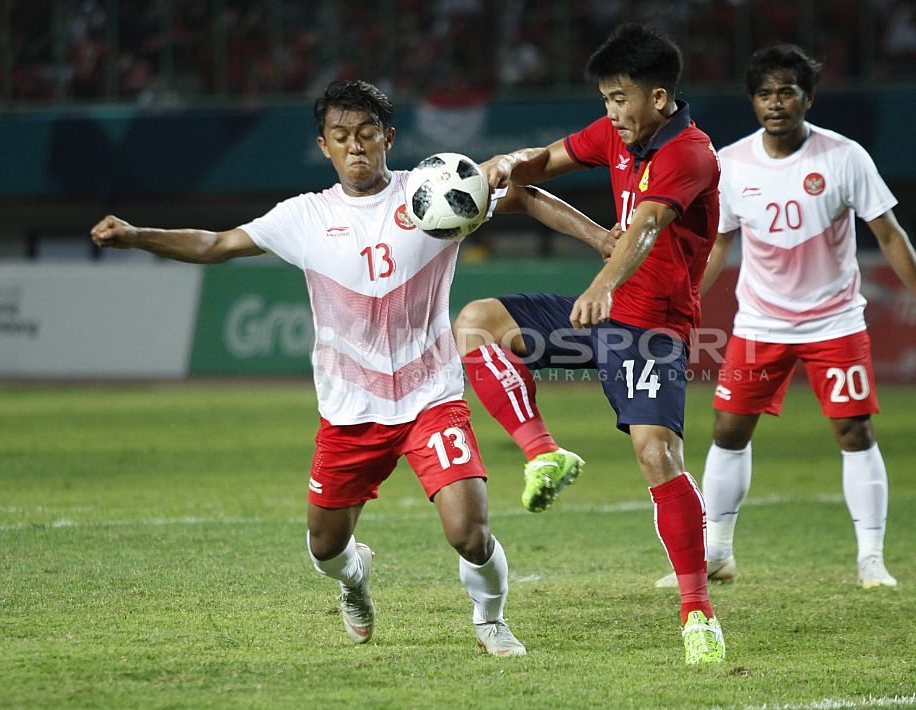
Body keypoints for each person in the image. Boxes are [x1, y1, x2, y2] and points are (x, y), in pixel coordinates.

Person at [89, 79, 616, 657]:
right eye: (341, 137)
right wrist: (138, 236)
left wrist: (596, 237)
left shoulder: (434, 189)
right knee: (325, 547)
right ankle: (354, 579)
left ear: (388, 137)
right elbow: (216, 243)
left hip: (431, 397)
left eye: (366, 134)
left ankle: (490, 619)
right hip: (349, 412)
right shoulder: (304, 217)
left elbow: (521, 193)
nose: (356, 146)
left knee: (469, 533)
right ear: (324, 146)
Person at [454, 23, 726, 665]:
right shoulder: (615, 134)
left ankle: (698, 613)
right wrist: (504, 166)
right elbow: (545, 160)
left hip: (653, 328)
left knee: (657, 454)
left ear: (659, 97)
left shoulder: (690, 153)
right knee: (476, 322)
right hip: (602, 319)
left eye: (620, 98)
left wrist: (606, 278)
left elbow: (651, 227)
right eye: (605, 98)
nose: (611, 112)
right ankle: (543, 452)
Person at [654, 44, 916, 591]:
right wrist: (687, 305)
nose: (776, 103)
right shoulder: (732, 164)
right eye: (765, 94)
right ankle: (717, 552)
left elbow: (889, 234)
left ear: (807, 98)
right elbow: (718, 244)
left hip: (834, 322)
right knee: (727, 431)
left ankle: (871, 560)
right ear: (753, 101)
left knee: (853, 430)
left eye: (787, 92)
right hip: (760, 324)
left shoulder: (844, 157)